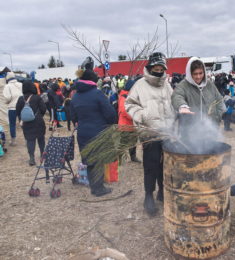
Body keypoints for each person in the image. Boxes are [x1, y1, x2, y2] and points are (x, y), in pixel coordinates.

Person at [125, 52, 175, 216]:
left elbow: (174, 103)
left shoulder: (167, 85)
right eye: (156, 67)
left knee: (165, 165)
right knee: (150, 166)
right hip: (149, 132)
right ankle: (148, 196)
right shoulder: (140, 85)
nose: (159, 70)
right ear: (150, 67)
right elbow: (129, 104)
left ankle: (162, 191)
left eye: (161, 68)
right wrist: (142, 116)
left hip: (167, 132)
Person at [70, 57, 117, 197]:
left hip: (83, 132)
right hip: (98, 132)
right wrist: (110, 123)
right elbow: (110, 114)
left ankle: (94, 185)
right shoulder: (97, 94)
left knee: (90, 160)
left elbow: (73, 117)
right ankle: (98, 188)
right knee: (99, 160)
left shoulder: (75, 96)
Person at [172, 57, 225, 124]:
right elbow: (177, 96)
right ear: (189, 73)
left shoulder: (209, 85)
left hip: (210, 128)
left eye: (200, 73)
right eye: (195, 74)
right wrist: (182, 106)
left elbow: (219, 100)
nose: (198, 77)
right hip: (190, 129)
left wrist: (218, 117)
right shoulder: (183, 85)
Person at [15, 81, 46, 166]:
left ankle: (32, 158)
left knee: (30, 140)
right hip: (38, 121)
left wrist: (22, 120)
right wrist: (39, 116)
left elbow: (18, 112)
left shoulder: (20, 99)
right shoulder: (37, 97)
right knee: (41, 139)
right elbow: (43, 109)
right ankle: (43, 155)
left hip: (26, 123)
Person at [118, 78, 140, 162]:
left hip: (132, 125)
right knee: (123, 143)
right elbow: (123, 111)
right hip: (125, 125)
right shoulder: (124, 97)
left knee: (133, 143)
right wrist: (134, 116)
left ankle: (133, 157)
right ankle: (120, 158)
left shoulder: (132, 97)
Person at [2, 72, 23, 146]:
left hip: (12, 108)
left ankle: (13, 141)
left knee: (12, 124)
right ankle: (27, 139)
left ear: (7, 78)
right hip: (21, 107)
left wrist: (7, 102)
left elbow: (7, 97)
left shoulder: (7, 86)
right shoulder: (21, 84)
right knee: (24, 123)